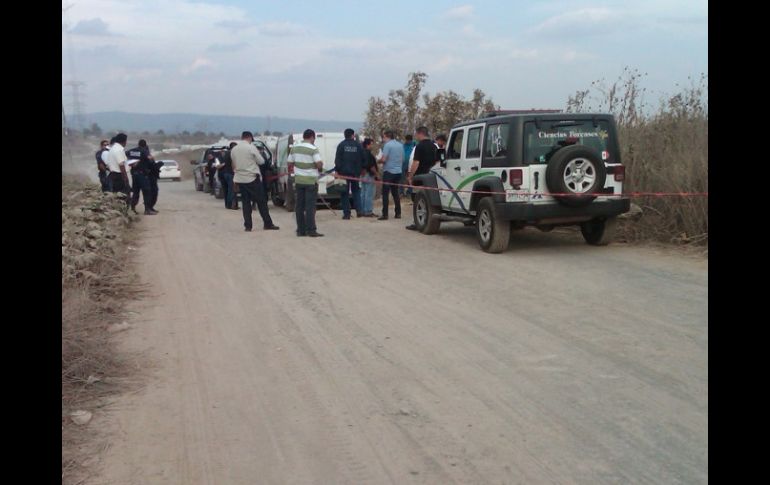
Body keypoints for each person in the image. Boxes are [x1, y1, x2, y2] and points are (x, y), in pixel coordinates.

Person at [231, 131, 279, 232]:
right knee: (261, 202)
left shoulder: (234, 149)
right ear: (250, 138)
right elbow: (261, 161)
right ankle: (267, 223)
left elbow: (234, 164)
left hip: (240, 178)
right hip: (252, 178)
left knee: (245, 202)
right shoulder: (251, 147)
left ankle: (248, 226)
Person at [288, 129, 324, 237]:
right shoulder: (313, 149)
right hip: (311, 181)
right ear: (312, 137)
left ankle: (300, 230)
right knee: (310, 207)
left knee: (299, 206)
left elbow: (289, 162)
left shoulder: (294, 148)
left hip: (299, 181)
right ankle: (311, 230)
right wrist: (319, 166)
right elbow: (319, 164)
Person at [405, 127, 438, 230]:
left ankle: (417, 222)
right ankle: (427, 220)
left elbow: (416, 162)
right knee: (428, 200)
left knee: (417, 200)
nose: (416, 136)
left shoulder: (419, 147)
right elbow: (437, 162)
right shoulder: (434, 146)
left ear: (420, 134)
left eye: (416, 134)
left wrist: (410, 176)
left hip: (420, 177)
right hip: (431, 177)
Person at [334, 128, 365, 219]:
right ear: (353, 135)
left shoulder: (341, 145)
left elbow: (337, 160)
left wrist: (337, 171)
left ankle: (347, 214)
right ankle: (359, 211)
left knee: (344, 193)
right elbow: (363, 158)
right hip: (355, 173)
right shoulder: (358, 145)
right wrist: (361, 170)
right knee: (356, 192)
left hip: (343, 173)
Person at [376, 130, 403, 220]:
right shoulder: (400, 145)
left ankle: (385, 214)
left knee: (385, 194)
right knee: (395, 193)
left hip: (389, 172)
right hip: (398, 171)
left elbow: (384, 159)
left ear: (386, 136)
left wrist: (378, 161)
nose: (382, 139)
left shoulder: (387, 145)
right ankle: (398, 213)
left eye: (383, 137)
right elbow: (403, 159)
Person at [126, 139, 156, 215]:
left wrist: (131, 162)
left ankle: (132, 208)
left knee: (136, 192)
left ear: (138, 144)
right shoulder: (144, 151)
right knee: (147, 192)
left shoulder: (131, 151)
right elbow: (151, 160)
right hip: (142, 174)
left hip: (134, 175)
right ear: (145, 145)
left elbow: (125, 155)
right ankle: (147, 210)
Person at [105, 133, 131, 202]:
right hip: (119, 176)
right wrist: (125, 178)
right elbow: (121, 165)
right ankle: (124, 210)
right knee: (124, 195)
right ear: (124, 141)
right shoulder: (118, 150)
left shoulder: (113, 149)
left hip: (114, 175)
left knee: (117, 195)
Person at [359, 138, 378, 218]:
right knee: (369, 194)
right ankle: (368, 211)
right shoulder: (368, 154)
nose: (372, 146)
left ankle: (362, 210)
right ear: (367, 145)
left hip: (362, 175)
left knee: (363, 193)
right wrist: (377, 174)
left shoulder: (361, 152)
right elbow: (371, 166)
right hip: (369, 175)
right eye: (371, 144)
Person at [219, 142, 238, 209]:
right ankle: (231, 205)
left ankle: (227, 205)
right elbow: (233, 164)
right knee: (232, 190)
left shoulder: (226, 153)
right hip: (231, 174)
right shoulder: (232, 153)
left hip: (225, 173)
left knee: (227, 190)